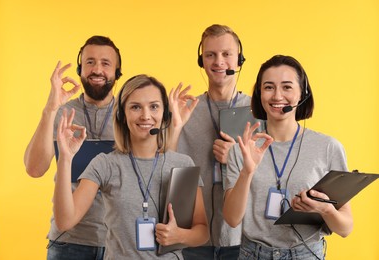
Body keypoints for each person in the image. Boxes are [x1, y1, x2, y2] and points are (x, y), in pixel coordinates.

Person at [53, 74, 209, 259]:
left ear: (164, 113)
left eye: (154, 106)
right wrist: (65, 157)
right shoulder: (105, 164)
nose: (146, 115)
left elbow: (202, 232)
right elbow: (65, 221)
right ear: (122, 115)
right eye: (135, 107)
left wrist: (180, 235)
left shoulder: (182, 164)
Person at [223, 54, 353, 259]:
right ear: (259, 94)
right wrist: (247, 172)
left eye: (287, 87)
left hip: (306, 253)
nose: (277, 96)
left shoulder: (328, 147)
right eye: (268, 87)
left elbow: (345, 228)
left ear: (303, 93)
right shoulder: (243, 148)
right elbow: (231, 219)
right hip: (253, 253)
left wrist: (325, 210)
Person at [24, 35, 122, 259]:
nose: (97, 69)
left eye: (105, 63)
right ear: (80, 68)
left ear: (117, 72)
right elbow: (34, 169)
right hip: (68, 242)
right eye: (90, 62)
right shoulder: (60, 111)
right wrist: (50, 108)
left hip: (119, 243)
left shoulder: (132, 114)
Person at [168, 24, 261, 259]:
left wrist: (237, 157)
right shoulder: (185, 110)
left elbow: (270, 175)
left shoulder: (259, 112)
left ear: (240, 60)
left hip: (245, 240)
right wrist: (174, 126)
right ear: (202, 61)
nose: (219, 62)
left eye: (226, 54)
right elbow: (166, 167)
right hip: (192, 240)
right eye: (210, 55)